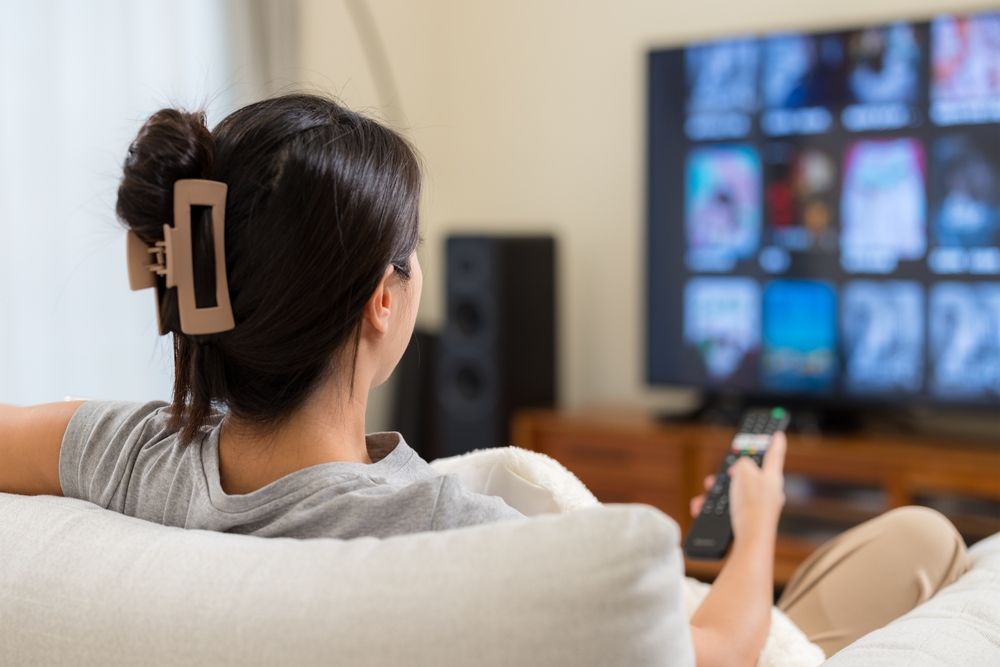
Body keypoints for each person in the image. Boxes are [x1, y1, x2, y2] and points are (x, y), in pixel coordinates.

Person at [0, 93, 969, 664]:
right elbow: (709, 653)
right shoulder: (450, 535)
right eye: (413, 249)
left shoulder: (130, 453)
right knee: (923, 539)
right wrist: (755, 525)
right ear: (383, 301)